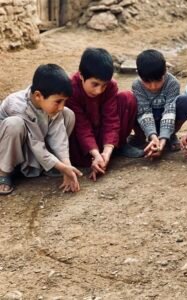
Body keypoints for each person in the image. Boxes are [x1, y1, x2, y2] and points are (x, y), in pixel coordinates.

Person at [0, 64, 82, 195]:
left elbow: (59, 136)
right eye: (58, 101)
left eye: (64, 101)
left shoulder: (50, 104)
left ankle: (45, 166)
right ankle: (3, 172)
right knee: (14, 124)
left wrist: (66, 167)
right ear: (38, 95)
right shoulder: (16, 105)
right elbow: (35, 143)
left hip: (35, 147)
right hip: (12, 149)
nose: (61, 106)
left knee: (68, 114)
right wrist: (61, 167)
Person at [66, 47, 143, 182]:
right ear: (82, 75)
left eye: (104, 85)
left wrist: (106, 152)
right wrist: (95, 153)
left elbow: (111, 119)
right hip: (81, 141)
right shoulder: (71, 88)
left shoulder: (111, 86)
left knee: (128, 98)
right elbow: (81, 126)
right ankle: (98, 155)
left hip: (102, 133)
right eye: (95, 84)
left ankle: (117, 147)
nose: (99, 91)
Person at [131, 49, 187, 159]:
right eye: (147, 81)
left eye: (158, 80)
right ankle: (140, 137)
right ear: (139, 75)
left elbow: (169, 111)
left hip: (168, 117)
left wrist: (163, 140)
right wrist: (152, 136)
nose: (153, 86)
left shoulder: (172, 83)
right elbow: (144, 112)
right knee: (128, 101)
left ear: (165, 71)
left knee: (186, 101)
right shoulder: (137, 85)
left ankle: (170, 135)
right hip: (145, 120)